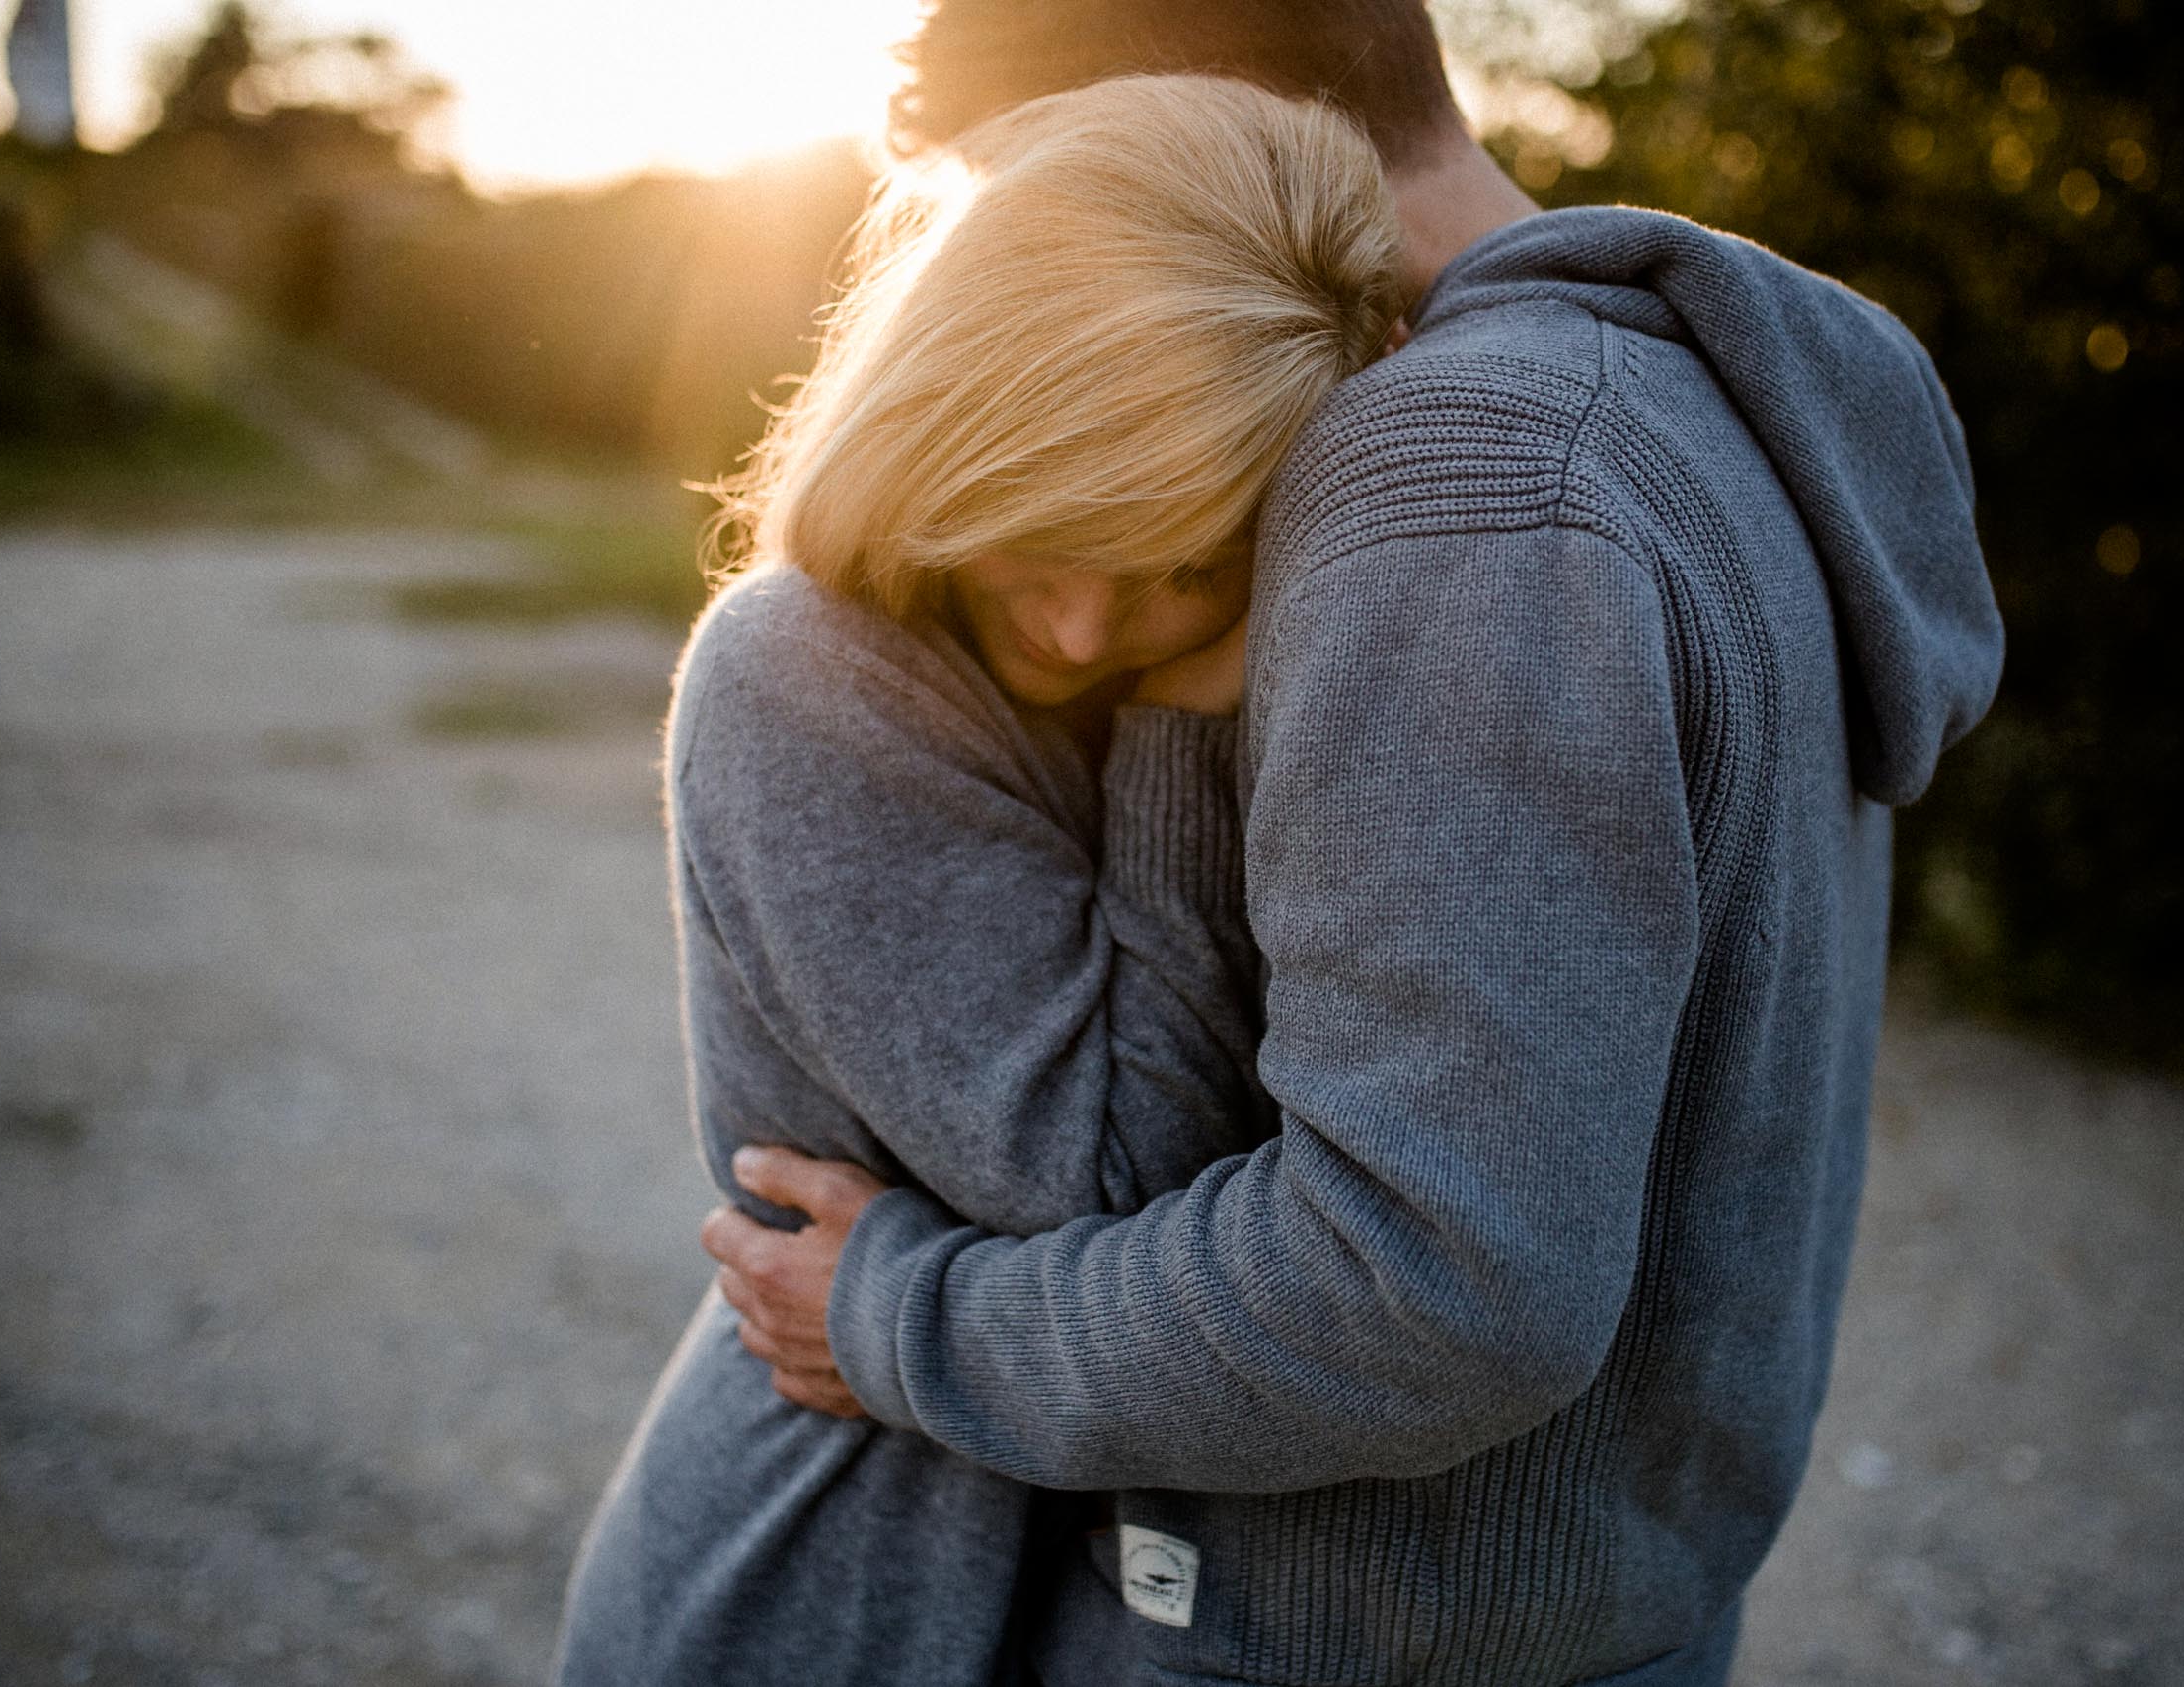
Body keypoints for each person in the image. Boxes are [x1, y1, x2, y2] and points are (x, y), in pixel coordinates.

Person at [704, 2, 2008, 1684]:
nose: (1006, 291)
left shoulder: (1449, 475)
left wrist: (897, 1317)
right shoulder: (1690, 395)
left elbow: (1433, 1281)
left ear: (1210, 131)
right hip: (1600, 1607)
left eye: (1041, 209)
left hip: (1333, 1636)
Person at [551, 74, 1404, 1686]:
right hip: (827, 1602)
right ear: (958, 412)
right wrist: (1175, 707)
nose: (1081, 629)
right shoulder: (806, 676)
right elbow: (1123, 1179)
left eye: (1180, 560)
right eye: (1057, 522)